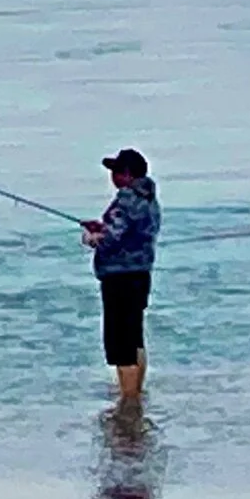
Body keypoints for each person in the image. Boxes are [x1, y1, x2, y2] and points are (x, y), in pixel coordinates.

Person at [83, 149, 160, 401]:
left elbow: (111, 239)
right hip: (140, 274)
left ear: (126, 174)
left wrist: (92, 237)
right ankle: (136, 392)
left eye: (115, 171)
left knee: (121, 344)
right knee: (135, 337)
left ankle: (128, 402)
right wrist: (103, 227)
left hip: (119, 278)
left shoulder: (126, 199)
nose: (112, 177)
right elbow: (130, 232)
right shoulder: (149, 198)